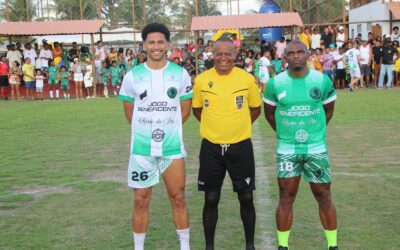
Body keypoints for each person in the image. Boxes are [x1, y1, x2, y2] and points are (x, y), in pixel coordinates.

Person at [118, 23, 192, 250]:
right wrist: (148, 130)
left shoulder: (180, 74)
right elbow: (131, 114)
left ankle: (185, 247)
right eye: (151, 42)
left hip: (172, 149)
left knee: (178, 198)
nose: (156, 46)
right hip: (142, 150)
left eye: (161, 42)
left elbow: (185, 111)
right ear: (144, 46)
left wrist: (166, 129)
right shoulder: (132, 76)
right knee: (141, 199)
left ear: (168, 45)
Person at [263, 40, 338, 250]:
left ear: (307, 55)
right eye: (291, 53)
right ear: (284, 57)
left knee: (324, 195)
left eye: (300, 52)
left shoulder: (321, 81)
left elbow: (328, 110)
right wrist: (284, 134)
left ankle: (333, 245)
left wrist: (316, 133)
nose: (295, 56)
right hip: (287, 150)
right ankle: (283, 246)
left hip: (316, 149)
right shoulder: (275, 84)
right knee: (286, 197)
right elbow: (269, 114)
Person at [192, 37, 261, 250]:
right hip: (211, 148)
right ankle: (209, 246)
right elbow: (197, 110)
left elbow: (255, 108)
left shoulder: (246, 79)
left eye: (228, 54)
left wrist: (237, 126)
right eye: (219, 53)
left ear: (235, 55)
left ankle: (250, 245)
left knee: (246, 196)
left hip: (240, 147)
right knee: (211, 198)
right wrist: (216, 127)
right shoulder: (201, 80)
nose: (223, 58)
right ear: (213, 55)